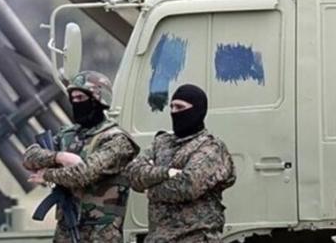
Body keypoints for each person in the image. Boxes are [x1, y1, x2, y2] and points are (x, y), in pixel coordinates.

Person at [24, 71, 139, 243]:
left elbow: (84, 174)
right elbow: (29, 156)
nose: (76, 103)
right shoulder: (67, 135)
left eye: (81, 98)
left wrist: (47, 174)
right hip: (66, 229)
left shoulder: (117, 140)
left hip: (101, 233)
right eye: (73, 99)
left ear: (98, 100)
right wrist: (60, 157)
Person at [126, 84, 236, 243]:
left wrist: (150, 189)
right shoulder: (161, 142)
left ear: (197, 110)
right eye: (171, 107)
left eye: (180, 107)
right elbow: (132, 173)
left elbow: (187, 186)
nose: (173, 111)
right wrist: (167, 173)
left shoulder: (211, 148)